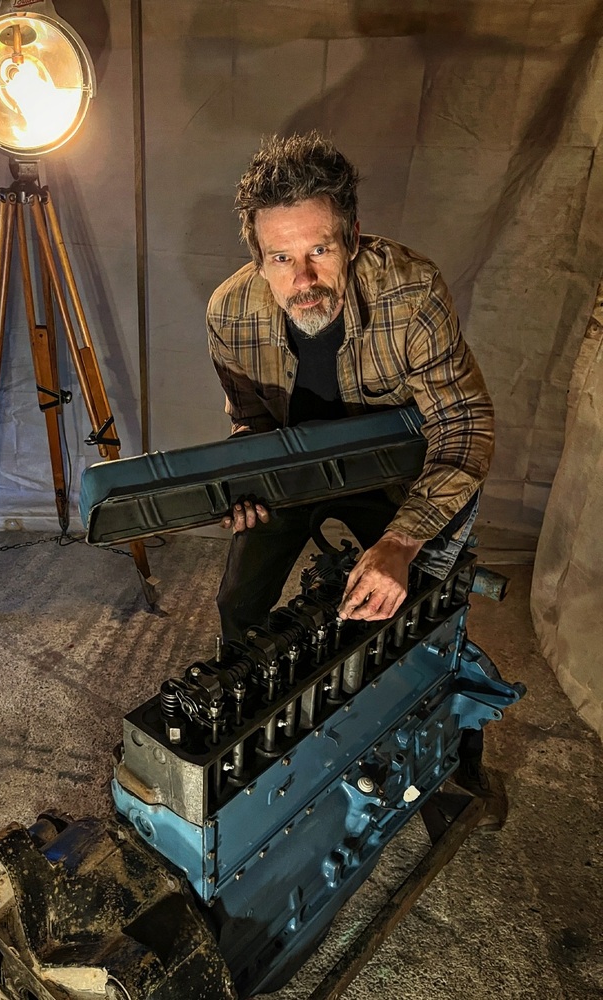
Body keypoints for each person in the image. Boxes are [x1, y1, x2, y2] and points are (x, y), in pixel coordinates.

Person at [206, 131, 504, 826]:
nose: (300, 279)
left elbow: (465, 425)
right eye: (280, 257)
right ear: (258, 256)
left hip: (396, 475)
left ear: (355, 237)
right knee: (237, 607)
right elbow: (249, 420)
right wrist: (244, 483)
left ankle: (456, 768)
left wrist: (402, 543)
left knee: (431, 608)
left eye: (320, 250)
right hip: (295, 469)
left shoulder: (412, 289)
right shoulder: (230, 311)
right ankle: (244, 761)